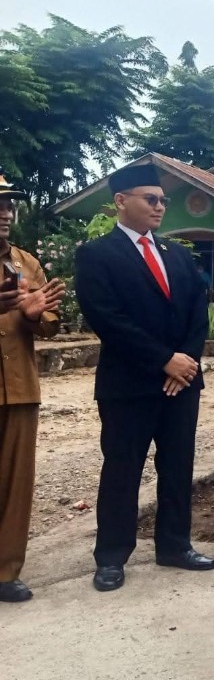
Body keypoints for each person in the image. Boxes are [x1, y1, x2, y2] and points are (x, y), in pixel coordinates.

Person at [75, 164, 213, 593]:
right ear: (121, 201)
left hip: (182, 382)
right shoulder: (97, 254)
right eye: (150, 199)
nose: (159, 207)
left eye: (162, 200)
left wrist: (186, 361)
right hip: (129, 385)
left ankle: (174, 546)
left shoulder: (176, 254)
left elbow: (197, 312)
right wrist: (162, 361)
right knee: (122, 470)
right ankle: (112, 557)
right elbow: (107, 319)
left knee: (177, 466)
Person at [0, 173, 65, 603]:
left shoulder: (25, 262)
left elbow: (51, 327)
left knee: (16, 483)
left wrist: (34, 313)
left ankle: (6, 571)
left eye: (8, 206)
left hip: (20, 387)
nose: (5, 213)